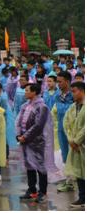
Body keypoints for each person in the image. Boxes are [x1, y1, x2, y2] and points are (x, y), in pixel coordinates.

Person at [16, 83, 50, 203]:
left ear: (34, 92)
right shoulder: (25, 106)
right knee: (29, 165)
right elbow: (20, 121)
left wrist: (25, 136)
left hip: (37, 141)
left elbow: (38, 125)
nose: (25, 93)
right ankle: (32, 190)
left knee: (40, 166)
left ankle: (43, 192)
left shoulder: (41, 107)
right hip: (25, 141)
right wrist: (19, 135)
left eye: (27, 90)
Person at [63, 81, 85, 209]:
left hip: (82, 143)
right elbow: (66, 124)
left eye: (74, 91)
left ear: (82, 91)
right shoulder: (72, 107)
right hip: (76, 145)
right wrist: (71, 140)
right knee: (79, 172)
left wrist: (77, 140)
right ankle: (82, 197)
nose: (72, 94)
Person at [54, 71, 75, 193]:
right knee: (65, 155)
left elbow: (70, 110)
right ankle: (69, 181)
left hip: (73, 129)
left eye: (60, 81)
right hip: (62, 129)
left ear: (67, 81)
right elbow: (58, 111)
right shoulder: (58, 95)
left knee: (76, 155)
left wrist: (62, 107)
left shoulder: (74, 94)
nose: (58, 84)